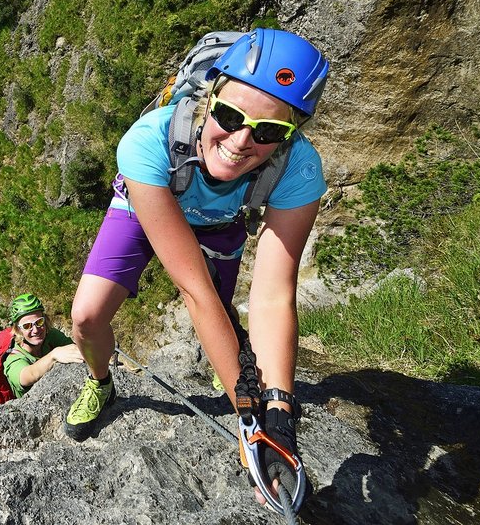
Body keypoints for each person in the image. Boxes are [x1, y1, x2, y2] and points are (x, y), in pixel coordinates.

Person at [63, 28, 328, 504]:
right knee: (86, 317)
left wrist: (280, 418)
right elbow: (193, 289)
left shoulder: (298, 169)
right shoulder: (149, 141)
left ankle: (230, 368)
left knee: (223, 315)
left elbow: (272, 295)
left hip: (218, 220)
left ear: (291, 136)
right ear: (208, 100)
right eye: (229, 115)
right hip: (151, 203)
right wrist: (250, 419)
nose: (241, 140)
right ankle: (100, 382)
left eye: (269, 131)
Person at [4, 293, 85, 398]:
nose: (36, 330)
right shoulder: (13, 359)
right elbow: (27, 376)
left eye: (39, 322)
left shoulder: (50, 335)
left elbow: (74, 349)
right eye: (27, 326)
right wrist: (54, 355)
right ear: (18, 330)